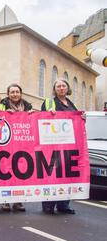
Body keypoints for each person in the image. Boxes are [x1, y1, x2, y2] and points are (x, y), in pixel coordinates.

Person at [41, 79, 77, 215]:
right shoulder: (49, 102)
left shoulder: (72, 104)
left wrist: (82, 117)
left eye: (64, 86)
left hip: (68, 145)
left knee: (66, 175)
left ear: (67, 88)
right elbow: (42, 119)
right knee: (52, 175)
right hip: (53, 145)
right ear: (54, 89)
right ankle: (48, 204)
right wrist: (47, 113)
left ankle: (63, 205)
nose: (61, 88)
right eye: (58, 86)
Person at [0, 84, 34, 212]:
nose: (15, 94)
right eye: (12, 92)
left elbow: (32, 124)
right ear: (8, 94)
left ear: (21, 93)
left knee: (20, 172)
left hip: (21, 144)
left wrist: (32, 115)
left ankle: (18, 201)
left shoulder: (27, 106)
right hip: (6, 143)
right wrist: (3, 113)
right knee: (6, 171)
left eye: (17, 92)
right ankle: (5, 201)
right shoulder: (3, 104)